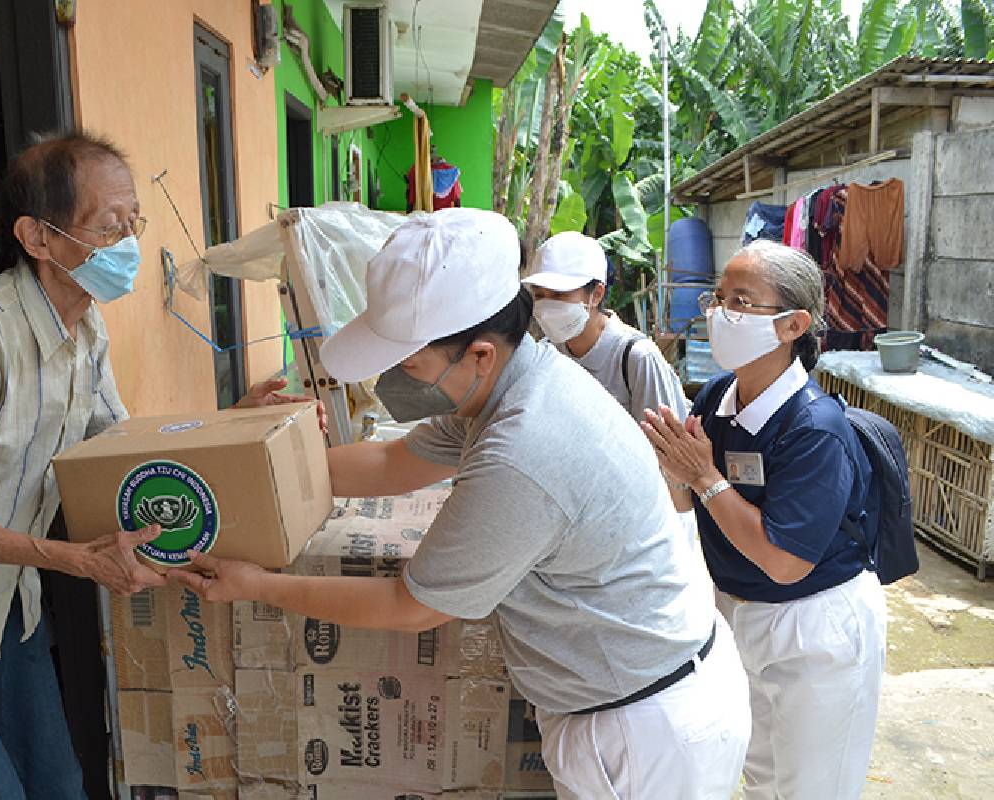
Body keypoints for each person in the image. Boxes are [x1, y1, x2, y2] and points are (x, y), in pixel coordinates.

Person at [169, 208, 750, 800]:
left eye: (411, 364)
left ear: (478, 354)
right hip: (637, 692)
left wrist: (255, 585)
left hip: (646, 731)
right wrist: (261, 468)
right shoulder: (515, 380)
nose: (399, 378)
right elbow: (394, 463)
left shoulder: (523, 446)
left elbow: (410, 605)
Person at [0, 131, 314, 800]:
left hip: (9, 602)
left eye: (133, 223)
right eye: (107, 225)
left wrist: (235, 423)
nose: (128, 244)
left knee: (58, 782)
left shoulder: (85, 328)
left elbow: (112, 453)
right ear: (37, 237)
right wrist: (78, 560)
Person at [640, 240, 888, 800]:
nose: (718, 313)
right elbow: (689, 506)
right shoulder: (717, 395)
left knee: (814, 787)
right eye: (718, 296)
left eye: (741, 301)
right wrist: (676, 470)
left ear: (792, 324)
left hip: (814, 622)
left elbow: (783, 561)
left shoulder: (815, 430)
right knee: (760, 777)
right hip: (739, 611)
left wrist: (705, 477)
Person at [523, 231, 695, 540]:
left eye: (559, 295)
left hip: (646, 523)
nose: (546, 306)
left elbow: (671, 456)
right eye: (539, 295)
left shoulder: (636, 358)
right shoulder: (549, 353)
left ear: (596, 294)